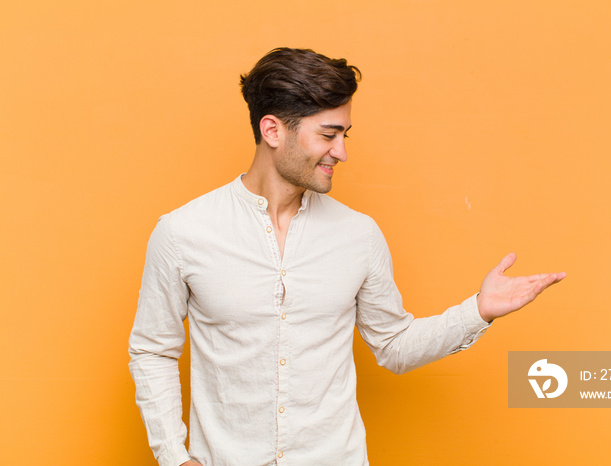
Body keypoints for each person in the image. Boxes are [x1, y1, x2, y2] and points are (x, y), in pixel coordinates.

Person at [128, 47, 566, 466]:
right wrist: (175, 456)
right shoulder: (183, 232)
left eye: (344, 134)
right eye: (328, 134)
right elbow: (153, 350)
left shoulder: (359, 235)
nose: (342, 152)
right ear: (273, 130)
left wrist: (478, 311)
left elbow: (393, 345)